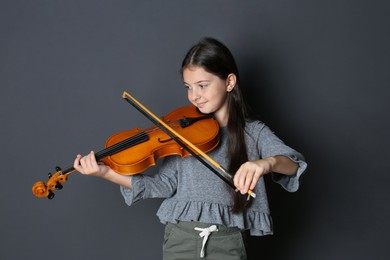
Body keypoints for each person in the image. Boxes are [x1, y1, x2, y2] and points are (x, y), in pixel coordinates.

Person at [73, 37, 307, 260]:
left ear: (229, 82)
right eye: (188, 87)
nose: (194, 96)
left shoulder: (253, 133)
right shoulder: (183, 133)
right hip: (180, 240)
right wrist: (105, 173)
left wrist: (265, 163)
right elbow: (162, 186)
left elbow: (292, 164)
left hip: (227, 243)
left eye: (202, 85)